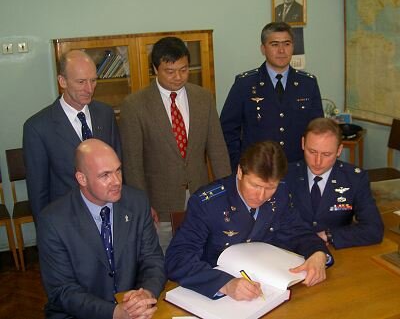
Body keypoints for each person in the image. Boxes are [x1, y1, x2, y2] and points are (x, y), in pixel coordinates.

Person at [165, 141, 332, 300]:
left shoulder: (280, 193)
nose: (261, 196)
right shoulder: (208, 203)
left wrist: (318, 253)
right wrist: (225, 284)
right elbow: (177, 258)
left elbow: (297, 230)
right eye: (255, 185)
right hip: (217, 291)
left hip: (266, 286)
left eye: (270, 188)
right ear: (240, 172)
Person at [119, 36, 231, 251]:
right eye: (170, 71)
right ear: (155, 69)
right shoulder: (135, 105)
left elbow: (218, 150)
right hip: (160, 204)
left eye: (184, 69)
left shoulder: (203, 98)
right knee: (163, 259)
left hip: (201, 197)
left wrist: (226, 193)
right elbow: (133, 164)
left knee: (201, 254)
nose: (178, 77)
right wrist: (143, 206)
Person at [37, 139, 166, 319]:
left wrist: (146, 294)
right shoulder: (53, 220)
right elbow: (62, 291)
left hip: (133, 308)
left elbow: (153, 259)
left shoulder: (137, 202)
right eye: (105, 175)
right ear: (82, 178)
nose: (116, 181)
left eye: (118, 170)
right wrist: (115, 313)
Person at [23, 50, 121, 221]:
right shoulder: (38, 127)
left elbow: (119, 165)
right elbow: (38, 191)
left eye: (93, 81)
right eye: (81, 82)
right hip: (68, 220)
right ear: (63, 81)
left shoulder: (105, 114)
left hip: (110, 213)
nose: (89, 89)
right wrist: (46, 232)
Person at [220, 22, 323, 171]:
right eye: (274, 44)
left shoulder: (308, 83)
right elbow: (228, 130)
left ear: (293, 47)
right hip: (257, 169)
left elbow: (317, 129)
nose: (281, 50)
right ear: (263, 48)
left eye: (287, 44)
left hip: (297, 168)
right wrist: (240, 164)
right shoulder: (245, 84)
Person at [285, 117, 384, 249]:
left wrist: (329, 235)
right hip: (291, 250)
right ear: (303, 143)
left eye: (326, 154)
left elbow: (374, 229)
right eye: (312, 152)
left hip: (335, 252)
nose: (318, 161)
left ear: (339, 150)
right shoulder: (286, 175)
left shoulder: (355, 179)